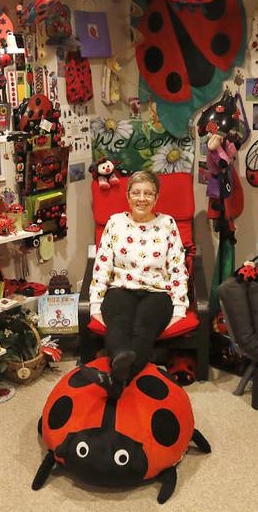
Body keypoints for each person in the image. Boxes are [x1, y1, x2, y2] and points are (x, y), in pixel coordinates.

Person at [87, 170, 189, 397]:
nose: (142, 198)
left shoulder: (168, 224)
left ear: (156, 198)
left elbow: (177, 267)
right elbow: (102, 265)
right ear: (128, 196)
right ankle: (123, 371)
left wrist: (180, 305)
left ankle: (118, 377)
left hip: (157, 292)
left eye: (148, 194)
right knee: (120, 323)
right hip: (121, 288)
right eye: (136, 193)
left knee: (144, 328)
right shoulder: (115, 223)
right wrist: (95, 303)